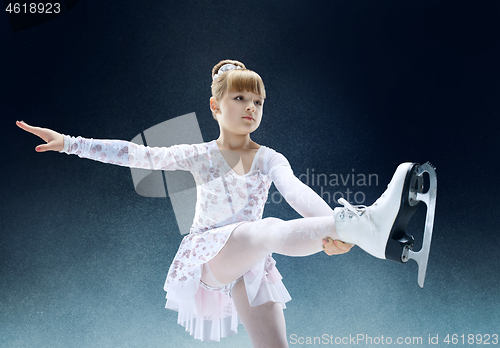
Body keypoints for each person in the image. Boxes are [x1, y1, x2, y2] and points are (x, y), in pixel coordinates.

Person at [16, 59, 415, 348]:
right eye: (240, 97)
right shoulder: (199, 154)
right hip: (210, 255)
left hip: (253, 257)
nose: (250, 108)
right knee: (267, 230)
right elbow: (137, 156)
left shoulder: (270, 157)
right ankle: (360, 226)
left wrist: (328, 229)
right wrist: (70, 144)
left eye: (258, 102)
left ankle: (358, 231)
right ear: (215, 106)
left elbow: (296, 192)